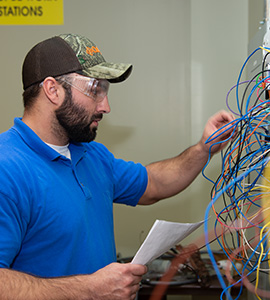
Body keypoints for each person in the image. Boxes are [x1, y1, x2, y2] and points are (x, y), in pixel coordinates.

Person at [0, 33, 234, 300]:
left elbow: (154, 183)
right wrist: (89, 289)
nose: (106, 106)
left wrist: (204, 148)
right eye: (94, 89)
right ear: (52, 90)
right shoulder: (7, 168)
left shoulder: (90, 154)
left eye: (105, 91)